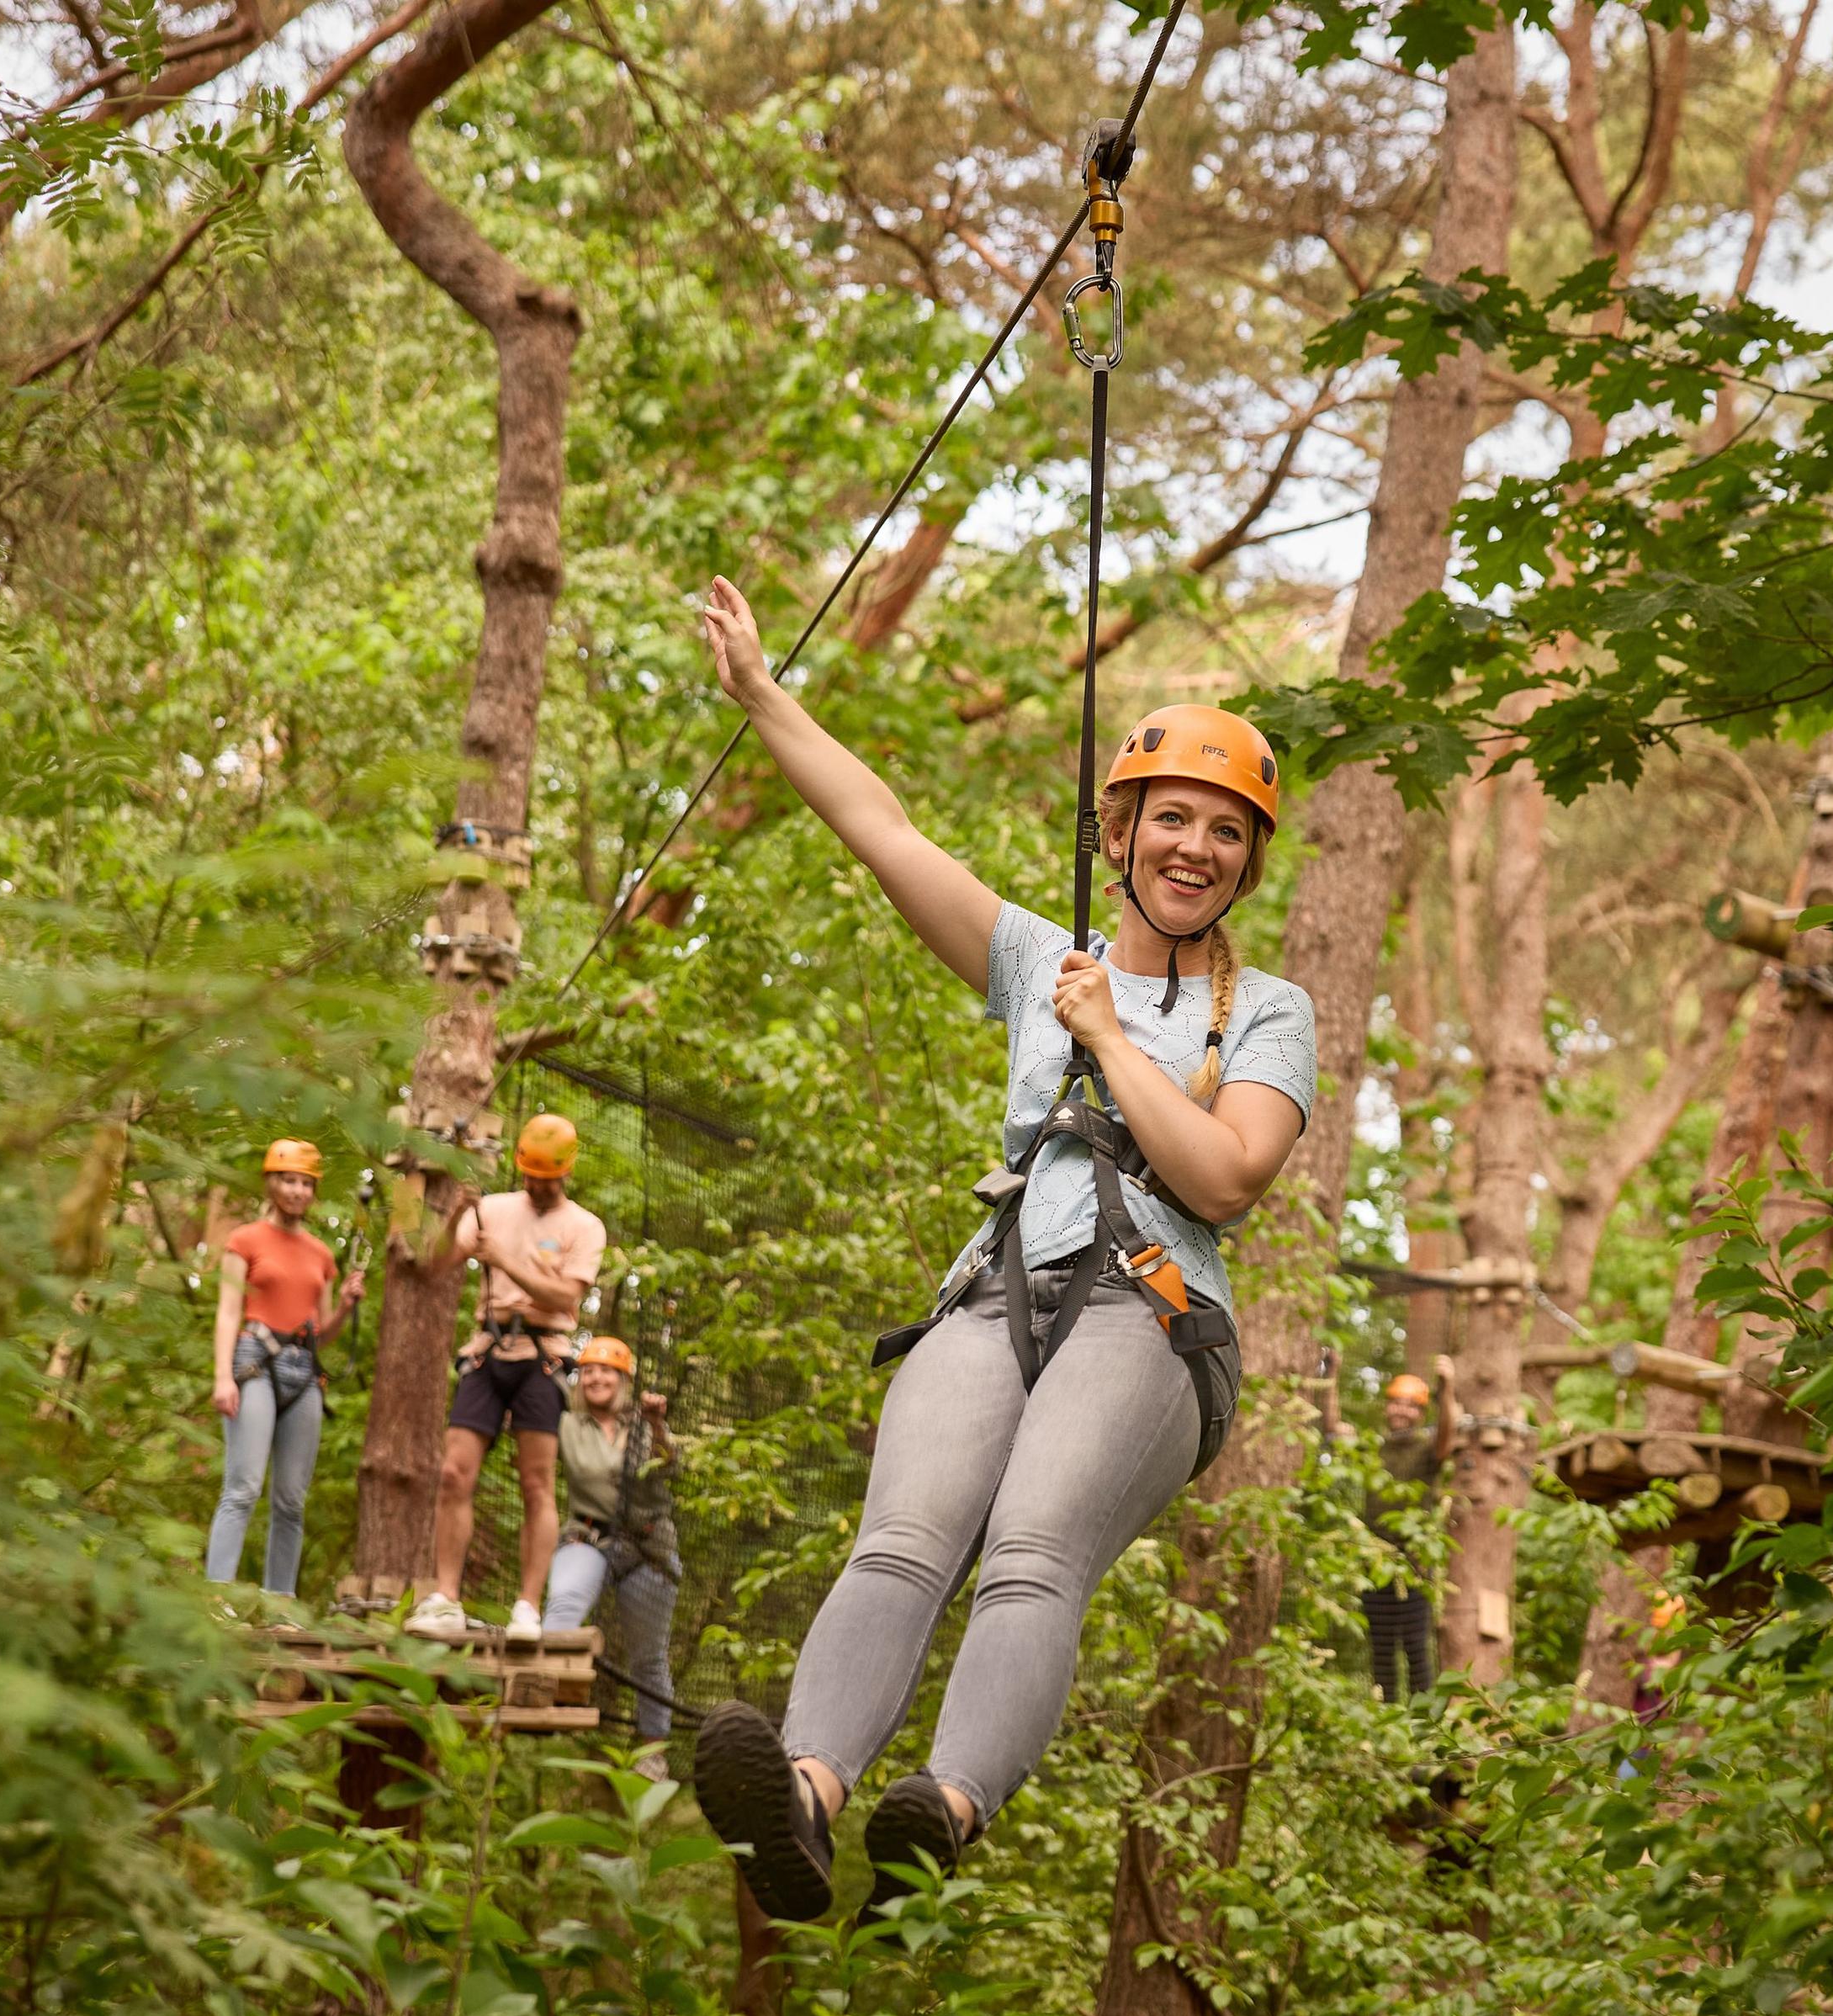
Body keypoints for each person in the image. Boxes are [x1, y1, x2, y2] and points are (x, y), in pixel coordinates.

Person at [688, 571, 1318, 1923]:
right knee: (901, 1542)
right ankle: (807, 1796)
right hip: (996, 1293)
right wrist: (763, 696)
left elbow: (1226, 1174)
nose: (1196, 847)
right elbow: (884, 831)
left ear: (1247, 863)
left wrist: (1106, 1038)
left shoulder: (1267, 1010)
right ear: (1120, 831)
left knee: (1033, 1550)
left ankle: (948, 1805)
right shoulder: (1041, 959)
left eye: (1226, 831)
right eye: (1172, 818)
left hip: (1153, 1315)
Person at [406, 1114, 607, 1644]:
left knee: (536, 1482)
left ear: (566, 1171)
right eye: (531, 1176)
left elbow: (565, 1296)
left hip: (544, 1356)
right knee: (454, 1473)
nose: (538, 1186)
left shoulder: (584, 1226)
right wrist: (457, 1215)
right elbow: (434, 1266)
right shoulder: (493, 1210)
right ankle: (446, 1597)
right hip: (488, 1350)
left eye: (548, 1178)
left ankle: (527, 1607)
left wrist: (504, 1260)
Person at [204, 1138, 353, 1600]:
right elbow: (229, 1311)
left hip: (304, 1369)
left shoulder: (321, 1254)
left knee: (291, 1500)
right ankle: (218, 1596)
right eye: (289, 1181)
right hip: (255, 1360)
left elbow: (322, 1333)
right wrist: (223, 1377)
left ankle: (280, 1604)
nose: (297, 1191)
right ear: (271, 1184)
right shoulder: (244, 1240)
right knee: (244, 1487)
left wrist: (346, 1307)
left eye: (306, 1184)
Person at [542, 1334, 686, 1772]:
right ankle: (547, 1699)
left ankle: (653, 1753)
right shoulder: (567, 1424)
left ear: (622, 1380)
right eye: (589, 1370)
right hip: (589, 1538)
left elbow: (671, 1467)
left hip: (648, 1547)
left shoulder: (642, 1426)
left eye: (607, 1371)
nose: (596, 1378)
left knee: (648, 1657)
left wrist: (657, 1425)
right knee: (562, 1610)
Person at [1357, 1370, 1441, 1699]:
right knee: (1381, 1648)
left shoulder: (1427, 1448)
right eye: (1397, 1403)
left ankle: (1424, 1720)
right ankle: (1386, 1716)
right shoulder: (1375, 1447)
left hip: (1414, 1563)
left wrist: (1447, 1390)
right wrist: (1330, 1375)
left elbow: (1448, 1436)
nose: (1402, 1410)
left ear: (1422, 1414)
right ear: (1387, 1407)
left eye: (1411, 1405)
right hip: (1375, 1560)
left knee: (1416, 1647)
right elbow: (1334, 1428)